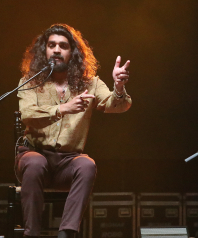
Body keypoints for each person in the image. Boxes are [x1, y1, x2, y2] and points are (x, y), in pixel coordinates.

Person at [16, 24, 132, 238]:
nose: (57, 50)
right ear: (45, 51)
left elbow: (116, 105)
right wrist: (63, 109)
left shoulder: (90, 83)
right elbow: (27, 114)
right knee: (35, 162)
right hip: (35, 156)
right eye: (51, 45)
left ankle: (67, 233)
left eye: (63, 46)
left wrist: (118, 87)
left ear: (73, 53)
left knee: (87, 165)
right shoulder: (30, 82)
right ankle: (31, 234)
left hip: (68, 162)